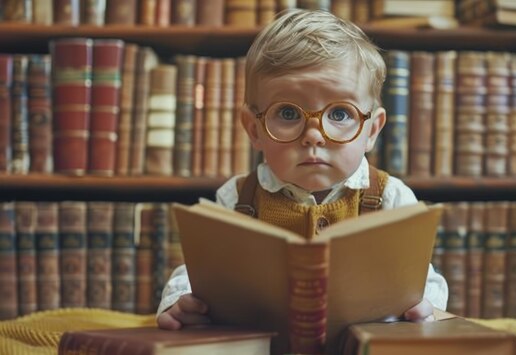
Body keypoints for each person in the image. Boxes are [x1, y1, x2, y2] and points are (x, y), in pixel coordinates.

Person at [157, 8, 448, 331]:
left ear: (372, 131)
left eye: (339, 114)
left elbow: (426, 280)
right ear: (254, 129)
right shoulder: (237, 198)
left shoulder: (392, 198)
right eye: (287, 113)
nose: (313, 135)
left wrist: (424, 306)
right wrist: (179, 303)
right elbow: (197, 274)